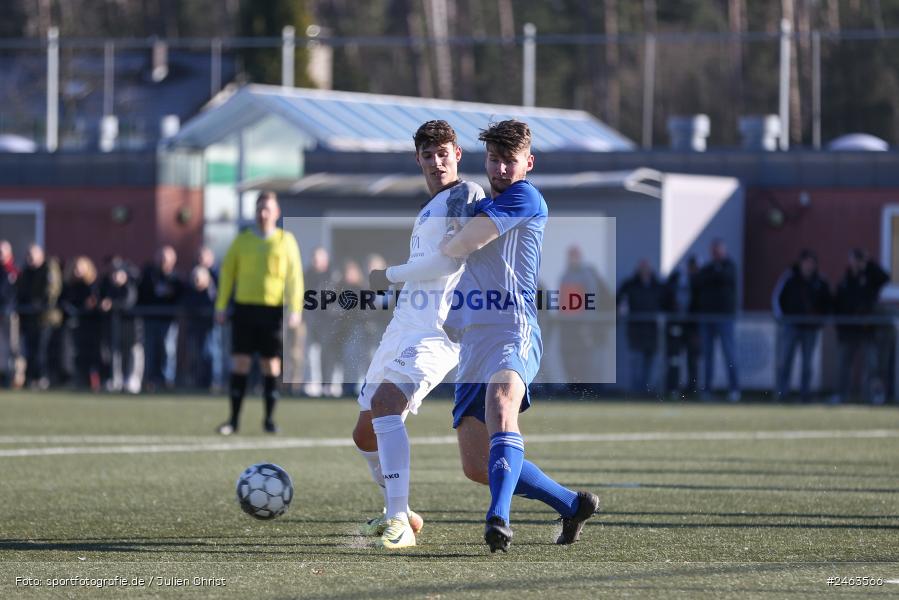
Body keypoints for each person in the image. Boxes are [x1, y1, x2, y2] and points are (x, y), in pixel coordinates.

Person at [440, 120, 599, 553]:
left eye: (510, 161)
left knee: (500, 403)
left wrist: (448, 221)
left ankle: (499, 519)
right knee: (476, 465)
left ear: (528, 162)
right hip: (475, 339)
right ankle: (570, 504)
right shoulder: (479, 201)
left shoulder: (525, 197)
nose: (502, 169)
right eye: (494, 160)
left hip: (514, 328)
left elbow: (461, 246)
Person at [349, 120, 486, 549]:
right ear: (418, 160)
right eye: (428, 154)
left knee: (388, 404)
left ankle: (398, 522)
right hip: (403, 326)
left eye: (443, 152)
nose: (436, 161)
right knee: (364, 432)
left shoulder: (466, 195)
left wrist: (387, 274)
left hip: (437, 331)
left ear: (458, 154)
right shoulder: (431, 207)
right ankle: (402, 510)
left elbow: (448, 264)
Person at [215, 191, 303, 435]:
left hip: (272, 311)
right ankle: (233, 420)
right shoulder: (242, 241)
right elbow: (227, 274)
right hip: (245, 309)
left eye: (267, 209)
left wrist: (295, 309)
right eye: (259, 209)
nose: (263, 213)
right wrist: (221, 305)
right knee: (240, 363)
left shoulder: (286, 241)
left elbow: (295, 278)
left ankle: (269, 420)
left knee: (271, 365)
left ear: (276, 213)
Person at [772, 249, 831, 402]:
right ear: (801, 263)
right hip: (791, 326)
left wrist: (820, 320)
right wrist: (782, 318)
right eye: (806, 262)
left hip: (810, 329)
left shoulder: (820, 281)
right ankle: (782, 393)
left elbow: (827, 303)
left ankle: (805, 395)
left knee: (807, 364)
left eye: (811, 263)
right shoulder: (790, 278)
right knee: (785, 361)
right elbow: (777, 298)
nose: (808, 266)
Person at [832, 248, 889, 404]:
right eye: (854, 259)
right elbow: (838, 305)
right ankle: (841, 396)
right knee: (844, 365)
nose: (856, 263)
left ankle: (870, 397)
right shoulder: (845, 280)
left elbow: (885, 277)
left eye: (859, 260)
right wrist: (840, 327)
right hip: (848, 331)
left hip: (866, 330)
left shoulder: (870, 277)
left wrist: (868, 263)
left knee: (872, 366)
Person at [694, 239, 740, 402]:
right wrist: (713, 275)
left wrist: (714, 275)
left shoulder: (730, 267)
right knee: (707, 356)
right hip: (707, 317)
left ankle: (734, 389)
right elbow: (699, 281)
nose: (715, 254)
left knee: (729, 354)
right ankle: (707, 389)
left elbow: (724, 278)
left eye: (718, 250)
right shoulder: (707, 268)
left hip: (724, 317)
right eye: (713, 251)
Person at [16, 244, 62, 390]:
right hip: (30, 317)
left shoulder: (49, 267)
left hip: (46, 317)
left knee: (43, 349)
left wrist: (42, 304)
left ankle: (43, 377)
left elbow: (52, 289)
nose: (29, 257)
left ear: (41, 255)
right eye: (28, 254)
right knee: (31, 349)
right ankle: (32, 378)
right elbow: (21, 290)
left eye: (32, 254)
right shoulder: (26, 271)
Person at [137, 246, 183, 392]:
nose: (163, 261)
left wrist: (171, 293)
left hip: (168, 319)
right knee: (150, 349)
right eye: (161, 257)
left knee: (168, 349)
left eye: (166, 258)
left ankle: (167, 380)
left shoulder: (177, 277)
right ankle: (151, 380)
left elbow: (181, 297)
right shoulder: (148, 275)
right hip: (150, 317)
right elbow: (141, 293)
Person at [617, 259, 665, 395]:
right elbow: (619, 299)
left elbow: (667, 300)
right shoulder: (630, 285)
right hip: (636, 331)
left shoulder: (657, 286)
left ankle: (649, 392)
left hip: (652, 331)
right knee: (636, 364)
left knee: (651, 365)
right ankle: (636, 393)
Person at [181, 265, 217, 390]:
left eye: (198, 278)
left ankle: (209, 382)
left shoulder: (212, 292)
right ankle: (196, 382)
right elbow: (187, 306)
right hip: (194, 329)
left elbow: (213, 306)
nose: (196, 281)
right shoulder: (190, 292)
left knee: (208, 355)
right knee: (195, 357)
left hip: (208, 330)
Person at [0, 240, 18, 387]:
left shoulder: (12, 271)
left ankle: (12, 376)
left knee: (12, 345)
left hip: (8, 313)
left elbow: (8, 294)